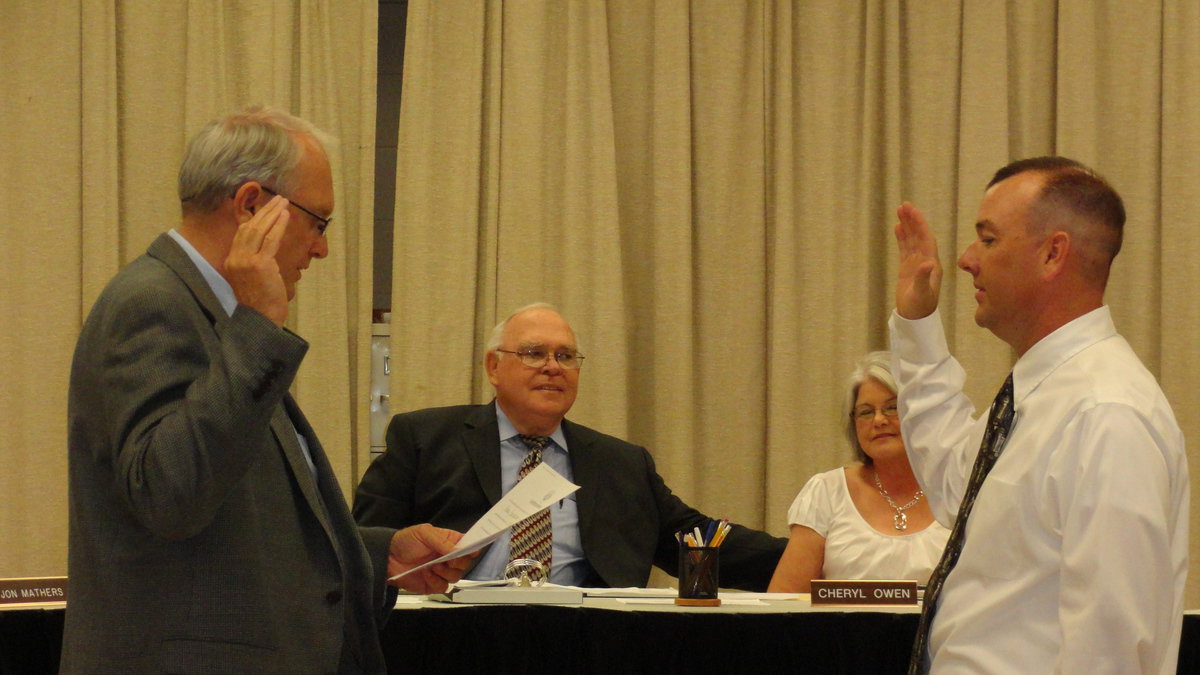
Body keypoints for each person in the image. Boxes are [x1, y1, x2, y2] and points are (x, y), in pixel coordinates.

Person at [62, 107, 472, 673]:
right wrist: (258, 329)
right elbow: (170, 495)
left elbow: (248, 520)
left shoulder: (216, 316)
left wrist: (380, 555)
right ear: (252, 204)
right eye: (318, 222)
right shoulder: (153, 302)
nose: (322, 250)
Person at [891, 157, 1187, 673]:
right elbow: (952, 484)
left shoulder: (1106, 414)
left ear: (1053, 253)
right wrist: (917, 326)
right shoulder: (1044, 394)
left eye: (987, 239)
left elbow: (1109, 650)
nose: (964, 260)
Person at [353, 303, 787, 589]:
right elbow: (363, 546)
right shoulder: (425, 438)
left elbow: (693, 538)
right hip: (459, 636)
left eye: (565, 357)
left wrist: (812, 553)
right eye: (533, 353)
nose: (552, 368)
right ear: (493, 367)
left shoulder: (621, 463)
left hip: (586, 641)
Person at [767, 351, 949, 593]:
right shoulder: (826, 492)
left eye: (892, 408)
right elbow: (783, 602)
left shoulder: (958, 489)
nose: (879, 420)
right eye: (865, 412)